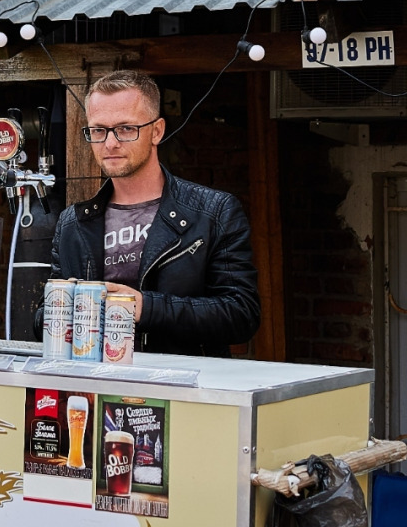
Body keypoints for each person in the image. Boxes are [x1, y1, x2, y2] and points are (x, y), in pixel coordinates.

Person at [48, 70, 259, 357]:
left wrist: (145, 307)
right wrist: (63, 308)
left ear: (157, 131)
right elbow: (43, 320)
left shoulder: (214, 212)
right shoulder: (73, 223)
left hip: (181, 387)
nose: (110, 143)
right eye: (98, 130)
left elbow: (241, 314)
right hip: (96, 383)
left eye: (125, 128)